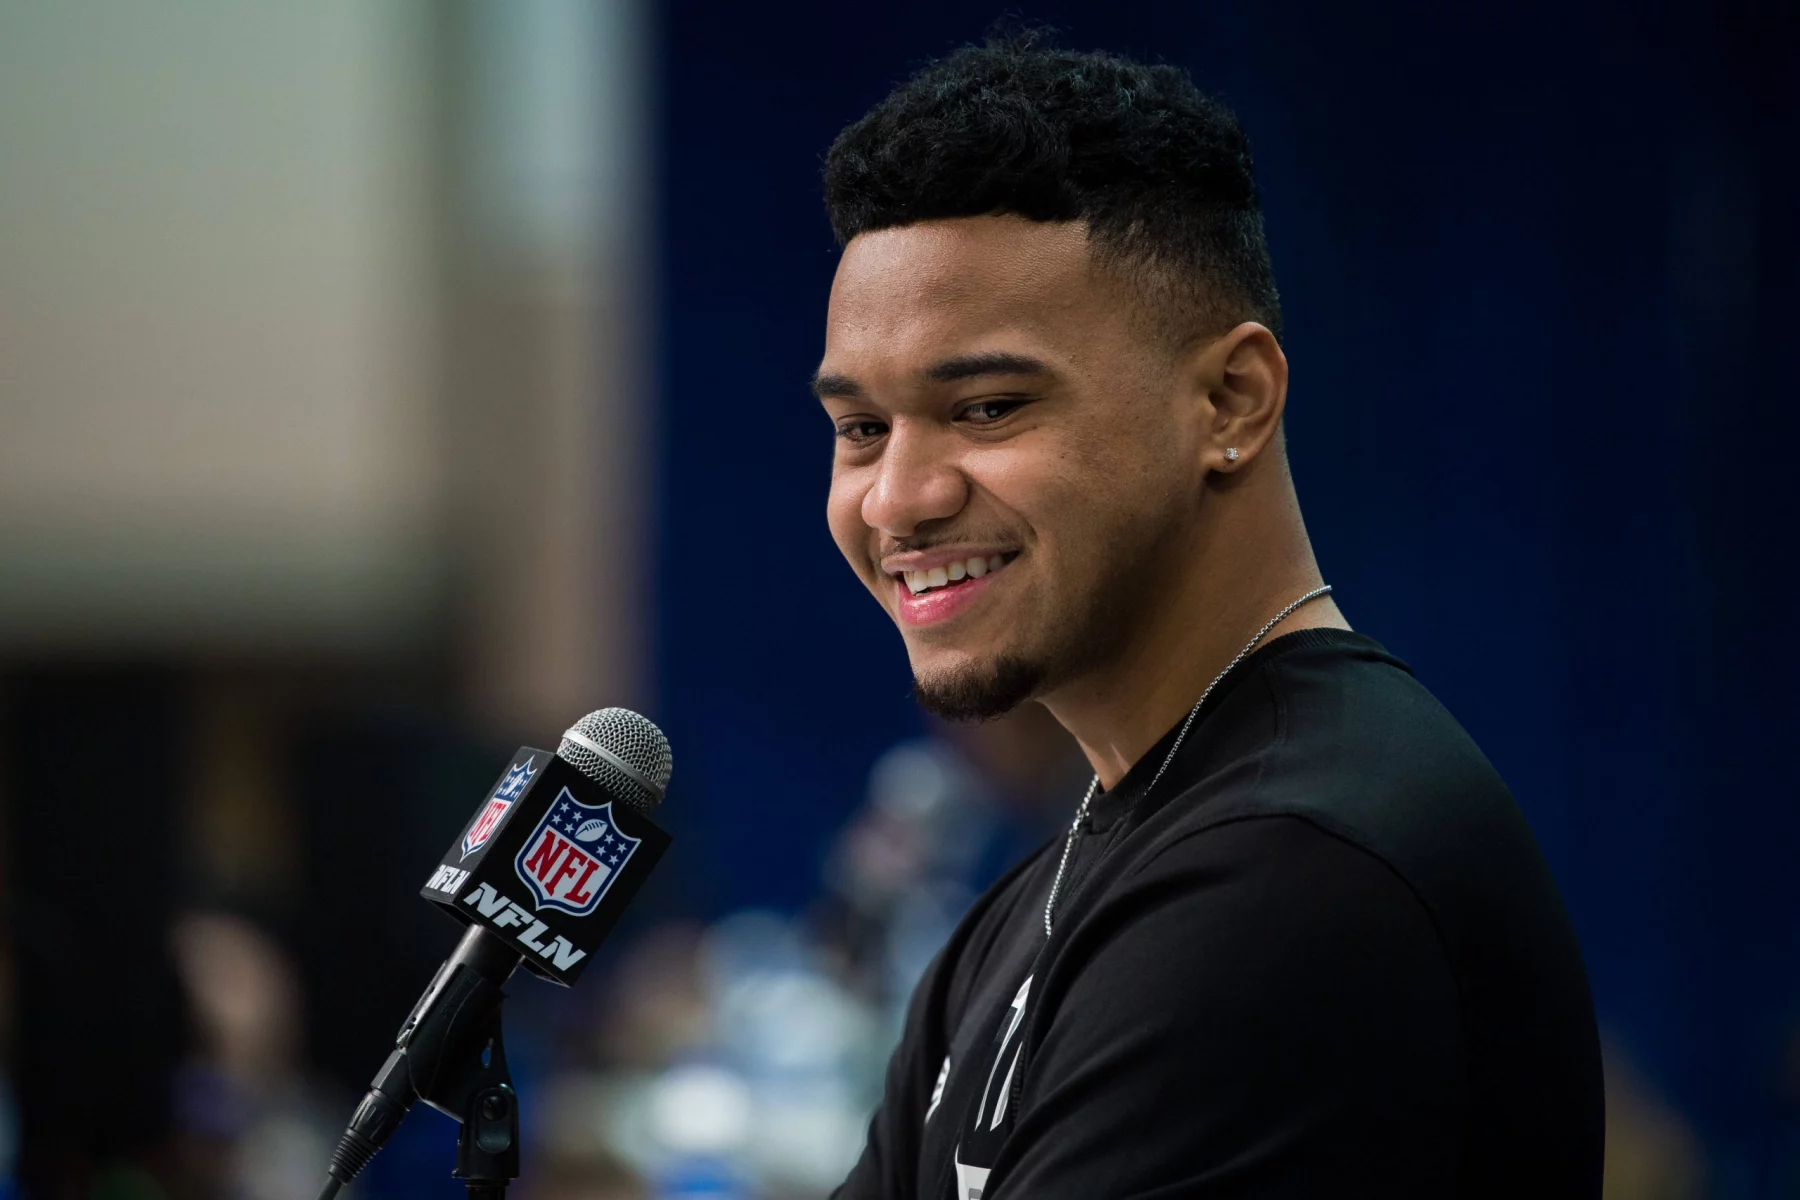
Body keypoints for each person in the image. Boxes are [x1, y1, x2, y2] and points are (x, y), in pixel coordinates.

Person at [811, 31, 1603, 1200]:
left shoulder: (1291, 883)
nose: (900, 498)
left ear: (1231, 400)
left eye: (984, 407)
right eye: (861, 428)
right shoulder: (1077, 876)